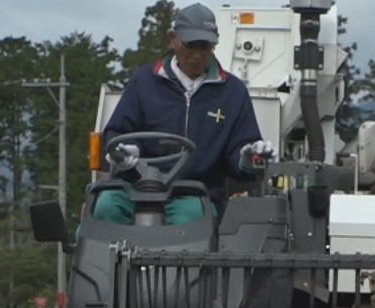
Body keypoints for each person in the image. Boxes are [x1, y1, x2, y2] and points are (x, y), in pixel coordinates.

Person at [93, 2, 274, 226]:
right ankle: (107, 261)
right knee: (105, 208)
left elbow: (241, 153)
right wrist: (125, 153)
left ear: (215, 45)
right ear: (173, 39)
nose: (197, 55)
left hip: (193, 194)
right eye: (190, 45)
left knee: (191, 223)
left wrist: (247, 159)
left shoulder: (233, 93)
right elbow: (116, 132)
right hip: (136, 187)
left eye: (204, 46)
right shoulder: (145, 82)